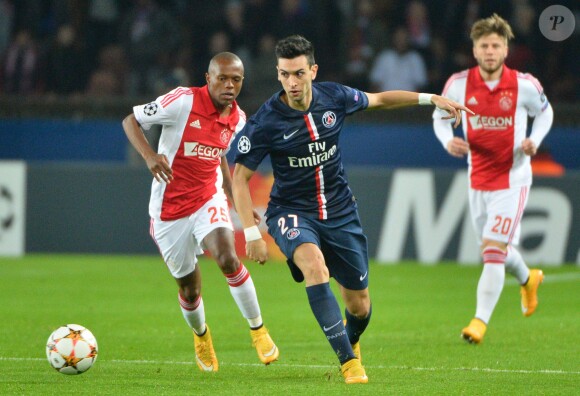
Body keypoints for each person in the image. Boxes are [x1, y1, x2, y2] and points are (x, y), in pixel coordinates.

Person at [232, 35, 472, 384]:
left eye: (299, 73)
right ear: (278, 74)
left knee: (360, 306)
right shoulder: (266, 121)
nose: (292, 82)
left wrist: (430, 98)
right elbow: (239, 178)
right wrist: (252, 233)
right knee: (314, 266)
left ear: (313, 70)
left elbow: (380, 100)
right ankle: (349, 363)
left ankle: (351, 338)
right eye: (284, 74)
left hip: (341, 211)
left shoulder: (335, 97)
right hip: (291, 211)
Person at [121, 52, 279, 372]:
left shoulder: (238, 119)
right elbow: (131, 121)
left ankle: (258, 330)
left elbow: (219, 154)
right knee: (189, 289)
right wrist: (150, 156)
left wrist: (233, 197)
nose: (229, 85)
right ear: (208, 78)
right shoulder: (181, 101)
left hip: (208, 198)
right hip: (168, 210)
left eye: (235, 79)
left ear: (242, 82)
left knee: (228, 258)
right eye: (222, 78)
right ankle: (201, 335)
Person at [432, 14, 554, 344]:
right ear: (474, 50)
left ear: (505, 50)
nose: (489, 51)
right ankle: (529, 279)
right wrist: (448, 140)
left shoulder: (524, 84)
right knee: (494, 249)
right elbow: (440, 118)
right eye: (483, 45)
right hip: (477, 179)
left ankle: (478, 322)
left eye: (495, 45)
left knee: (493, 251)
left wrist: (534, 141)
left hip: (513, 179)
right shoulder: (458, 84)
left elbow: (545, 113)